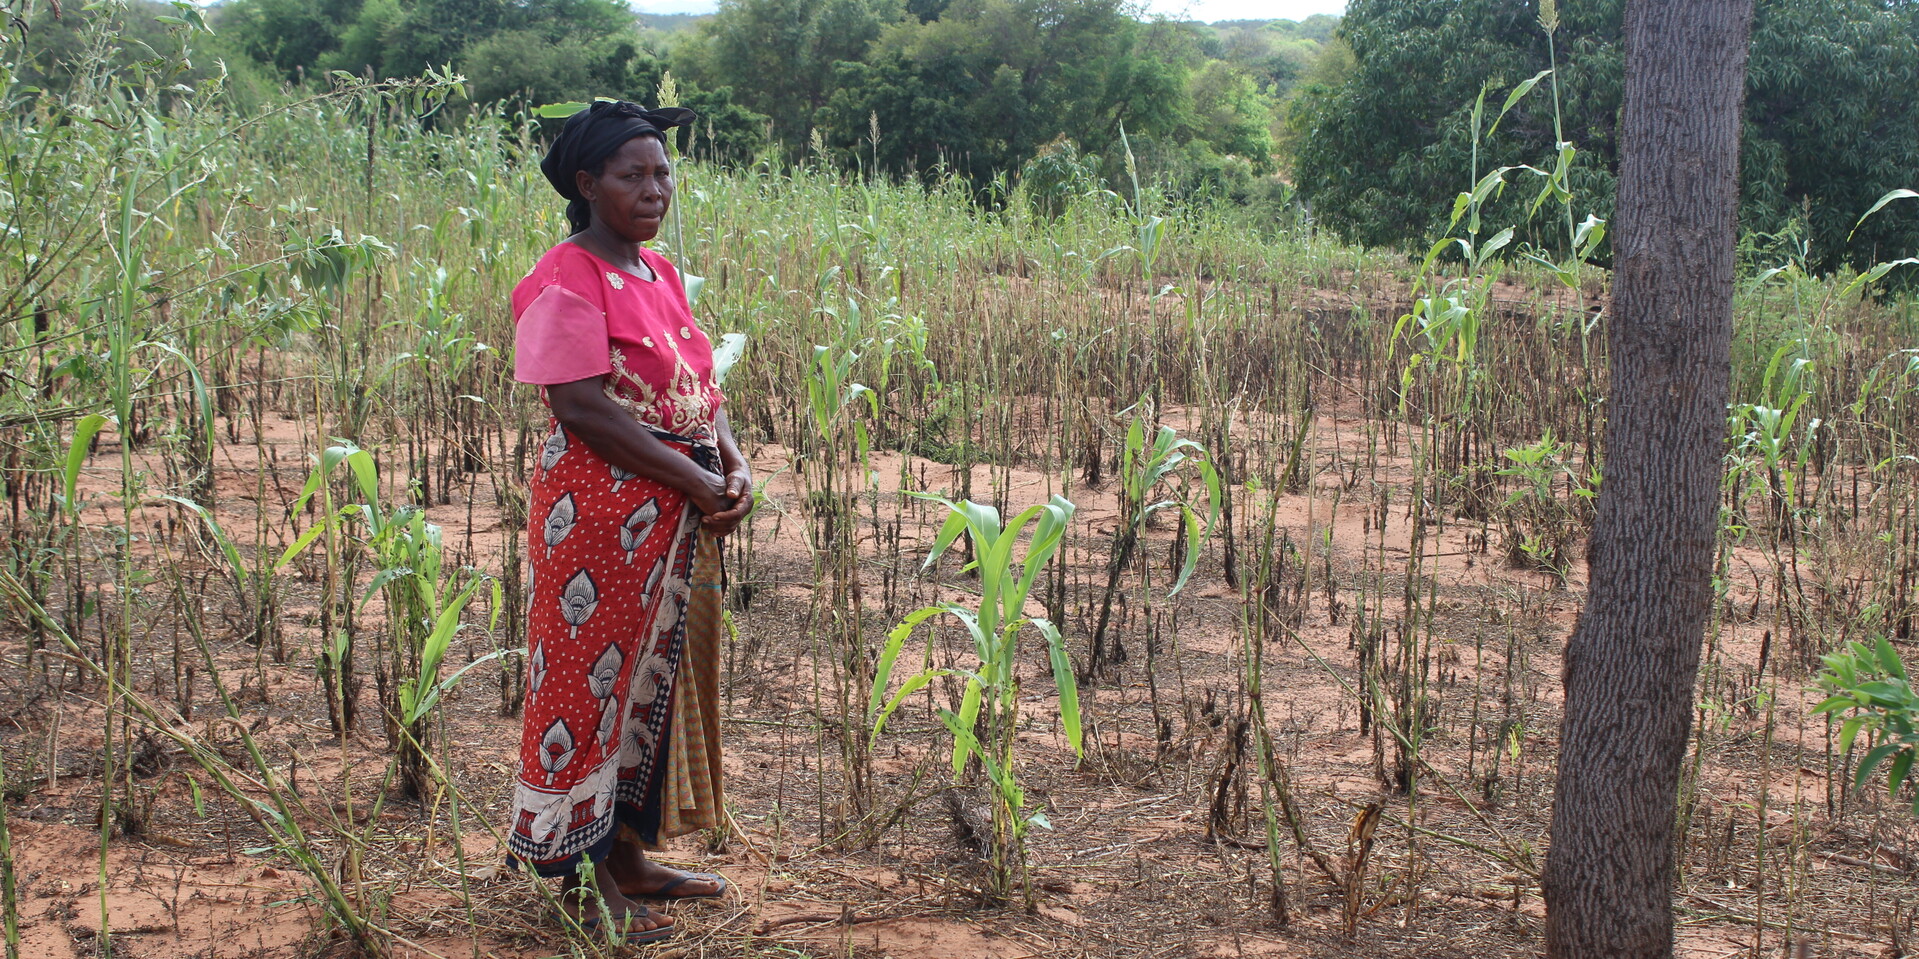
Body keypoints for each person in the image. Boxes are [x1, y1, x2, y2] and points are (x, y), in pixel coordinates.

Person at [504, 99, 752, 944]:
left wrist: (733, 459)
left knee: (661, 680)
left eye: (662, 173)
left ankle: (629, 851)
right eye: (632, 175)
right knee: (586, 683)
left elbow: (700, 387)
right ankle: (577, 874)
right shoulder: (564, 275)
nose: (655, 189)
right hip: (600, 519)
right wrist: (693, 473)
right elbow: (580, 406)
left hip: (674, 516)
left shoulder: (660, 275)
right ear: (587, 184)